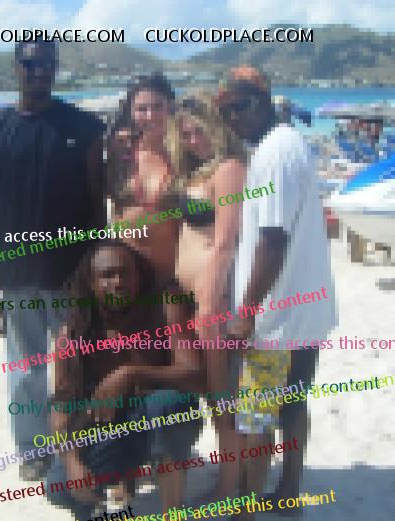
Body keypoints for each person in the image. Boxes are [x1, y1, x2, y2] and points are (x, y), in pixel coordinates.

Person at [0, 38, 105, 481]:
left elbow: (97, 207)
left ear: (56, 69)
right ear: (16, 69)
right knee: (26, 372)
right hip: (18, 275)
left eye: (46, 64)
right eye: (30, 65)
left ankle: (79, 444)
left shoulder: (84, 128)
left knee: (77, 365)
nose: (38, 72)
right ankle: (32, 449)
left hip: (71, 274)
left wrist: (95, 275)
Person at [217, 66, 337, 516]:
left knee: (255, 416)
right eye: (226, 111)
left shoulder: (274, 152)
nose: (234, 118)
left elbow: (271, 238)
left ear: (265, 100)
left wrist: (246, 312)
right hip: (302, 310)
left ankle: (246, 507)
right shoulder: (290, 143)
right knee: (293, 403)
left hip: (275, 318)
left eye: (241, 106)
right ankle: (288, 491)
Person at [46, 241, 205, 520]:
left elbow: (195, 375)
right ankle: (97, 501)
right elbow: (61, 407)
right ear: (91, 284)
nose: (118, 282)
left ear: (138, 276)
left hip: (157, 414)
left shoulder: (163, 305)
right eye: (107, 275)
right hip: (110, 425)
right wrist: (72, 462)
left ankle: (172, 511)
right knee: (60, 486)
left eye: (124, 273)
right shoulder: (75, 332)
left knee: (171, 406)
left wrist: (131, 373)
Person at [167, 93, 248, 500]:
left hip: (212, 301)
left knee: (222, 398)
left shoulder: (230, 169)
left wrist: (209, 303)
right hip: (189, 296)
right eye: (186, 134)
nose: (194, 140)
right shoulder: (196, 171)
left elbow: (225, 242)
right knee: (208, 392)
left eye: (200, 131)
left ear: (217, 128)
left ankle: (229, 487)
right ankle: (227, 477)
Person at [107, 73, 178, 286]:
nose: (150, 116)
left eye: (157, 107)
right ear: (130, 112)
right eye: (141, 109)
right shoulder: (119, 154)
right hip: (126, 283)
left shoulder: (185, 156)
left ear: (170, 107)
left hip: (170, 282)